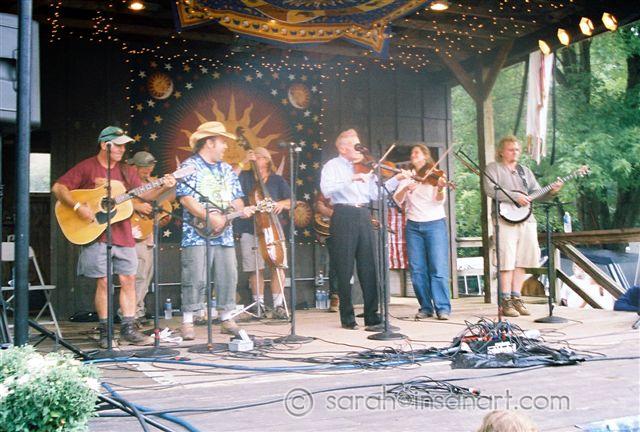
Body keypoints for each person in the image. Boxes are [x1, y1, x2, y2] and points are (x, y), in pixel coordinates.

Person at [52, 126, 176, 348]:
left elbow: (145, 195)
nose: (122, 149)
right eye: (117, 145)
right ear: (104, 145)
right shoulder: (87, 167)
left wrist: (163, 187)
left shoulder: (127, 171)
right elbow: (59, 188)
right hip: (98, 234)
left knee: (129, 280)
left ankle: (129, 329)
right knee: (104, 282)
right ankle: (105, 331)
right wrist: (78, 206)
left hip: (124, 234)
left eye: (124, 146)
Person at [320, 128, 409, 330]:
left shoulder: (365, 166)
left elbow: (375, 193)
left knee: (368, 265)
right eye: (356, 146)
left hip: (363, 213)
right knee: (344, 267)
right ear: (343, 148)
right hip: (343, 213)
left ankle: (372, 315)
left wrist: (396, 180)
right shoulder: (332, 166)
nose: (360, 149)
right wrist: (350, 179)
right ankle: (347, 317)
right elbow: (326, 190)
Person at [176, 121, 254, 340]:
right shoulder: (190, 165)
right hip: (196, 233)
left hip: (224, 233)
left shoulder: (227, 169)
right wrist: (209, 217)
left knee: (228, 274)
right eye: (222, 142)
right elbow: (186, 198)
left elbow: (236, 198)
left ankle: (226, 318)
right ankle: (188, 321)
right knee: (194, 276)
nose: (226, 147)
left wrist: (242, 210)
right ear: (209, 143)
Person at [484, 135, 563, 317]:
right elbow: (490, 189)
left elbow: (536, 193)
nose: (515, 152)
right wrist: (515, 197)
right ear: (501, 152)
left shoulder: (524, 171)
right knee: (506, 260)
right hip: (504, 220)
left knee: (523, 260)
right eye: (511, 149)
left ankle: (516, 298)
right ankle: (505, 301)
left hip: (527, 219)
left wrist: (552, 192)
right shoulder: (493, 168)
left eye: (517, 149)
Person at [393, 144, 452, 320]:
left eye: (417, 152)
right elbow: (397, 200)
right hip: (413, 226)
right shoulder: (408, 177)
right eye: (412, 153)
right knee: (417, 269)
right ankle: (425, 307)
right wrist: (406, 188)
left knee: (438, 267)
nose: (413, 155)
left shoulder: (436, 175)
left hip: (435, 224)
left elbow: (439, 201)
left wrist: (440, 187)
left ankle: (442, 307)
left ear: (426, 156)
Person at [233, 146, 291, 319]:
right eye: (254, 156)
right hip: (250, 228)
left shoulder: (277, 180)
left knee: (278, 266)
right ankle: (258, 305)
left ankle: (278, 305)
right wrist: (244, 161)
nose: (255, 158)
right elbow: (229, 179)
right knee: (254, 268)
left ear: (267, 160)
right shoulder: (245, 176)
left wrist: (281, 204)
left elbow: (292, 201)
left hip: (274, 229)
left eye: (259, 156)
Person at [127, 151, 174, 325]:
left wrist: (162, 216)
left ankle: (138, 311)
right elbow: (117, 201)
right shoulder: (127, 181)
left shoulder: (154, 182)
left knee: (146, 275)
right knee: (138, 274)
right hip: (134, 232)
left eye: (150, 167)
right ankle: (129, 314)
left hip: (148, 233)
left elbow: (165, 202)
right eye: (143, 167)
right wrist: (137, 206)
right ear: (134, 166)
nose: (147, 170)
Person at [313, 191, 340, 312]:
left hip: (350, 228)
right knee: (335, 263)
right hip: (332, 229)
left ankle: (343, 297)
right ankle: (335, 295)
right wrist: (338, 214)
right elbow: (319, 206)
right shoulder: (328, 188)